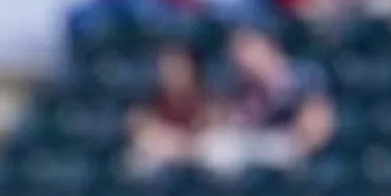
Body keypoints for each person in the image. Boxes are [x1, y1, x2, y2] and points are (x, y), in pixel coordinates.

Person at [212, 25, 337, 169]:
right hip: (253, 145)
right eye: (238, 53)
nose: (243, 60)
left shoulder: (304, 76)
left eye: (249, 49)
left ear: (271, 48)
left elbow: (318, 126)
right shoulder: (237, 85)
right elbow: (224, 123)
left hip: (292, 149)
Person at [125, 43, 214, 176]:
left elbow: (208, 129)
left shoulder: (206, 97)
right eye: (168, 67)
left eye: (179, 67)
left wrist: (181, 143)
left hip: (197, 157)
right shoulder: (151, 98)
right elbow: (136, 125)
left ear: (192, 69)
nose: (173, 73)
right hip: (162, 154)